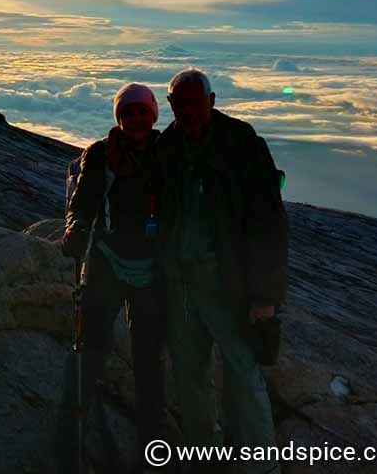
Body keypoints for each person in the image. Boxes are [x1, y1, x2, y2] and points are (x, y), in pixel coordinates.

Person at [156, 68, 288, 474]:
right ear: (171, 105)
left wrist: (264, 297)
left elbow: (268, 223)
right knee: (189, 377)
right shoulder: (168, 146)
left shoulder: (242, 145)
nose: (188, 111)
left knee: (243, 376)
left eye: (195, 102)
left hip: (227, 285)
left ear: (212, 102)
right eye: (179, 104)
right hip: (181, 285)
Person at [62, 82, 169, 471]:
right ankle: (76, 412)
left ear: (154, 115)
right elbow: (84, 201)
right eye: (127, 113)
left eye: (142, 112)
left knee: (148, 356)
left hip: (153, 268)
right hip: (108, 260)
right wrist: (74, 228)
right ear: (119, 118)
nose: (135, 119)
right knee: (93, 342)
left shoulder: (167, 152)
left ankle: (151, 439)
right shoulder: (101, 154)